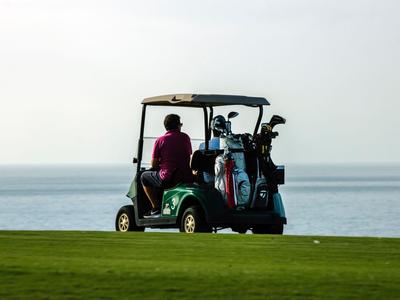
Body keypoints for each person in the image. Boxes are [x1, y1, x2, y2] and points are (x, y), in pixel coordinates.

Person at [141, 114, 192, 218]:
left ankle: (156, 208)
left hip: (168, 176)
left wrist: (161, 161)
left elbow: (154, 164)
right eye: (180, 124)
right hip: (185, 175)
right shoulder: (185, 137)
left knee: (143, 177)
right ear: (178, 125)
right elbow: (188, 155)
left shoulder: (160, 140)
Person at [198, 115, 226, 183]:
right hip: (224, 184)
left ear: (211, 128)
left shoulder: (202, 146)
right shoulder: (229, 146)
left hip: (207, 182)